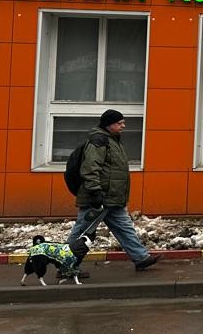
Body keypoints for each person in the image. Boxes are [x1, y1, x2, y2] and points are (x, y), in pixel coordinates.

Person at [68, 109, 161, 271]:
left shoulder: (112, 140)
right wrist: (95, 191)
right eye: (119, 123)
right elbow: (90, 168)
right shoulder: (99, 141)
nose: (123, 125)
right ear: (108, 124)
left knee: (125, 229)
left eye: (123, 122)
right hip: (98, 198)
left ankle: (141, 258)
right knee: (82, 233)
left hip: (112, 198)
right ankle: (66, 265)